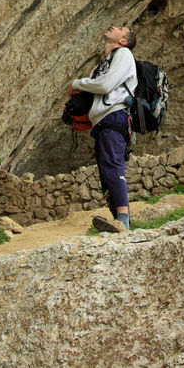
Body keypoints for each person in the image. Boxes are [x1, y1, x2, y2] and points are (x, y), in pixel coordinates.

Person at [70, 25, 138, 233]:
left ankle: (124, 220)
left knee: (112, 164)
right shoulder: (102, 65)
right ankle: (117, 219)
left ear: (123, 41)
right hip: (102, 121)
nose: (114, 27)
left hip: (116, 115)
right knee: (105, 169)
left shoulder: (124, 54)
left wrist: (77, 83)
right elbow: (97, 87)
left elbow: (105, 85)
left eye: (120, 29)